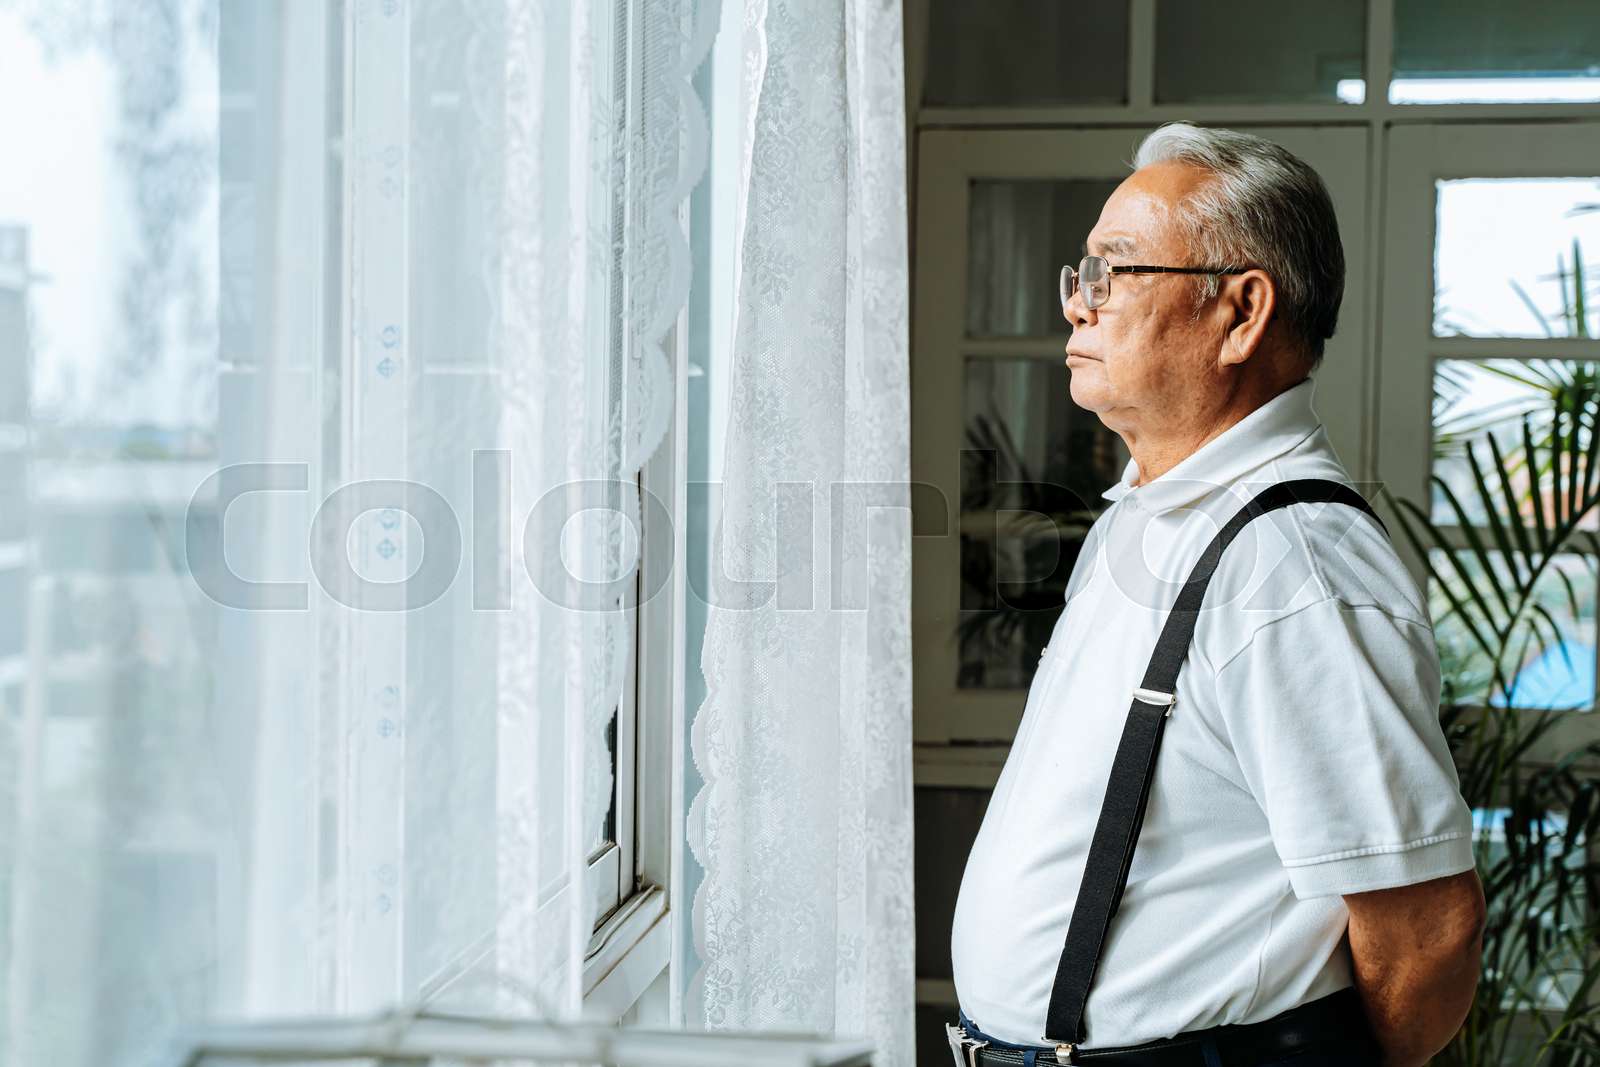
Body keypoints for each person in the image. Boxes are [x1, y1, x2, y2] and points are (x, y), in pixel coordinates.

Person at [948, 123, 1484, 1067]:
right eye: (1081, 276)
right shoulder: (1148, 517)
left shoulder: (1292, 562)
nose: (1080, 305)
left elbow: (1426, 928)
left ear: (1240, 312)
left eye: (1114, 273)